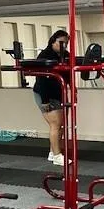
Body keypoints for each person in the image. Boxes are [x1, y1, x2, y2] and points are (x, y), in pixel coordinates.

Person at [33, 30, 69, 166]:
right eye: (61, 42)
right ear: (53, 41)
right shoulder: (45, 55)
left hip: (58, 93)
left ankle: (52, 153)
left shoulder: (65, 55)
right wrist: (45, 101)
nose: (64, 45)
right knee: (55, 124)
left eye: (66, 43)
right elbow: (41, 80)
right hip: (44, 93)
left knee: (61, 124)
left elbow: (68, 74)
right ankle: (57, 156)